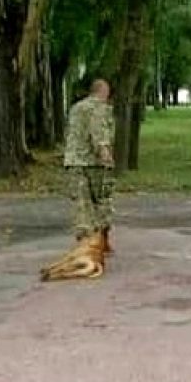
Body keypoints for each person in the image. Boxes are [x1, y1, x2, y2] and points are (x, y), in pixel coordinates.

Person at [63, 78, 116, 254]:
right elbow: (97, 131)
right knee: (102, 201)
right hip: (93, 163)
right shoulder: (98, 107)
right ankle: (101, 241)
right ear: (103, 91)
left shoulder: (76, 108)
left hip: (73, 161)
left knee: (81, 204)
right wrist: (104, 152)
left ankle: (84, 242)